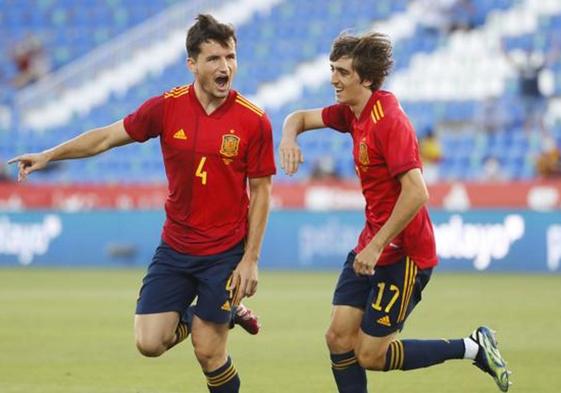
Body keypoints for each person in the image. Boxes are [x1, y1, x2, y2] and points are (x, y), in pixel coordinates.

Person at [9, 14, 275, 393]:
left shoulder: (254, 121)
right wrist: (50, 155)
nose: (225, 66)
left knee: (208, 349)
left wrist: (251, 258)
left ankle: (218, 311)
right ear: (192, 64)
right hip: (176, 246)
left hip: (225, 251)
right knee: (149, 343)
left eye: (230, 57)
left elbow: (262, 190)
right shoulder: (166, 108)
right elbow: (106, 138)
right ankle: (220, 310)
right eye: (214, 59)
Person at [279, 32, 511, 392]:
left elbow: (417, 192)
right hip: (371, 243)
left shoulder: (390, 121)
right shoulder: (351, 112)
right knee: (338, 338)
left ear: (366, 78)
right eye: (332, 69)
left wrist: (377, 245)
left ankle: (473, 348)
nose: (333, 79)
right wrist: (288, 138)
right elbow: (297, 117)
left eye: (342, 72)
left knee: (371, 355)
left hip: (404, 254)